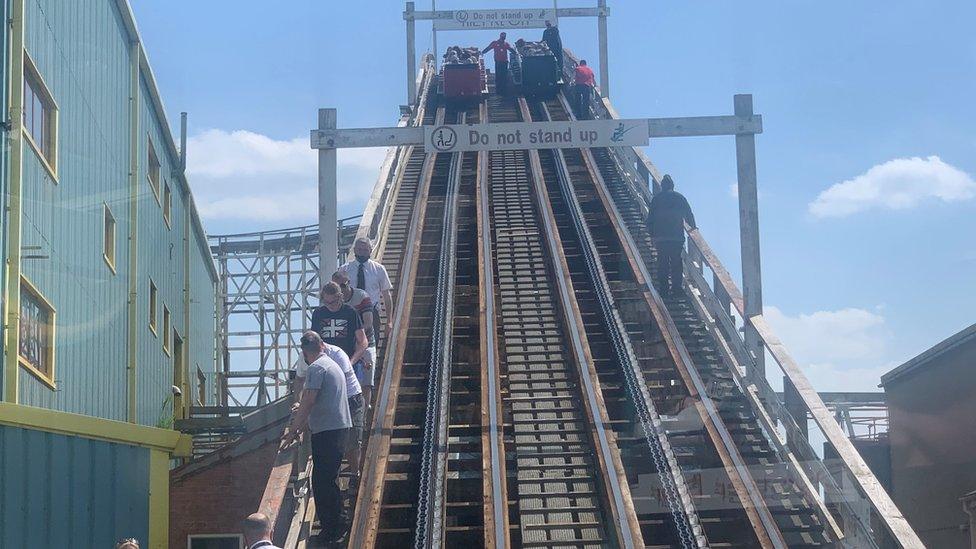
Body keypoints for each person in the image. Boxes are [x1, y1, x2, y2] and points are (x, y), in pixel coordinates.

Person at [281, 331, 351, 544]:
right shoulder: (330, 364)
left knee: (321, 481)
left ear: (304, 353)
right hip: (337, 428)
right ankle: (338, 522)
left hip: (328, 431)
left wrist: (293, 430)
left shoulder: (316, 368)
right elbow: (313, 401)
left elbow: (309, 400)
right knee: (327, 478)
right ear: (322, 345)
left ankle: (333, 528)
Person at [292, 342, 365, 483]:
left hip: (350, 398)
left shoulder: (337, 354)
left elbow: (338, 386)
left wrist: (303, 416)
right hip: (327, 399)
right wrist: (298, 401)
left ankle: (354, 473)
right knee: (332, 444)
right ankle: (334, 478)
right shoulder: (305, 356)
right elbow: (300, 380)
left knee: (352, 439)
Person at [646, 174, 697, 297]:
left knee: (662, 263)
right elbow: (689, 214)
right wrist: (693, 226)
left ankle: (664, 289)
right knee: (676, 263)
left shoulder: (656, 199)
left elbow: (650, 219)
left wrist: (651, 234)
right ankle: (676, 289)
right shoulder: (680, 198)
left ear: (662, 186)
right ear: (672, 186)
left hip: (661, 238)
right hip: (676, 238)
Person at [332, 270, 376, 407]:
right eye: (336, 287)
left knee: (366, 383)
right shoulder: (331, 302)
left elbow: (368, 323)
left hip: (365, 344)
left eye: (343, 286)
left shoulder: (362, 296)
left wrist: (356, 339)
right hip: (343, 347)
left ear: (349, 284)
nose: (340, 290)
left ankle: (363, 417)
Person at [339, 237, 394, 342]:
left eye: (365, 250)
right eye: (359, 250)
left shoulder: (379, 269)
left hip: (372, 312)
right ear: (354, 250)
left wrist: (389, 321)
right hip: (350, 312)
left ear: (370, 250)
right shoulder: (344, 269)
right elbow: (338, 294)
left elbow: (387, 296)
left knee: (371, 345)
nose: (362, 253)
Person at [312, 282, 368, 368]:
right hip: (326, 365)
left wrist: (351, 362)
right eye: (326, 302)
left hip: (348, 362)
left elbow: (363, 341)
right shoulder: (318, 313)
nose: (330, 305)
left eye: (333, 302)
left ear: (340, 297)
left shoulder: (350, 312)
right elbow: (314, 342)